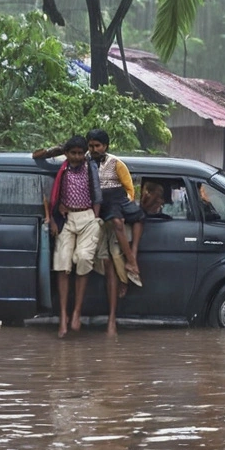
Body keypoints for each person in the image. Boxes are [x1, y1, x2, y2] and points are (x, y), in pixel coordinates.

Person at [86, 129, 143, 335]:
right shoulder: (85, 162)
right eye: (91, 146)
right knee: (110, 259)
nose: (94, 150)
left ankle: (132, 260)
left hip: (118, 199)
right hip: (98, 208)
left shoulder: (116, 163)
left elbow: (129, 188)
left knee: (134, 219)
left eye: (97, 146)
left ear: (106, 146)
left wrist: (127, 202)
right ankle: (129, 267)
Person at [47, 135, 102, 338]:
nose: (77, 157)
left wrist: (95, 218)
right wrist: (54, 218)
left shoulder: (91, 167)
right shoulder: (62, 168)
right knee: (62, 264)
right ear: (67, 153)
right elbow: (39, 155)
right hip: (66, 217)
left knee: (84, 259)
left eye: (80, 153)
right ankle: (63, 316)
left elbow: (97, 194)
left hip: (87, 216)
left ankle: (76, 312)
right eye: (73, 153)